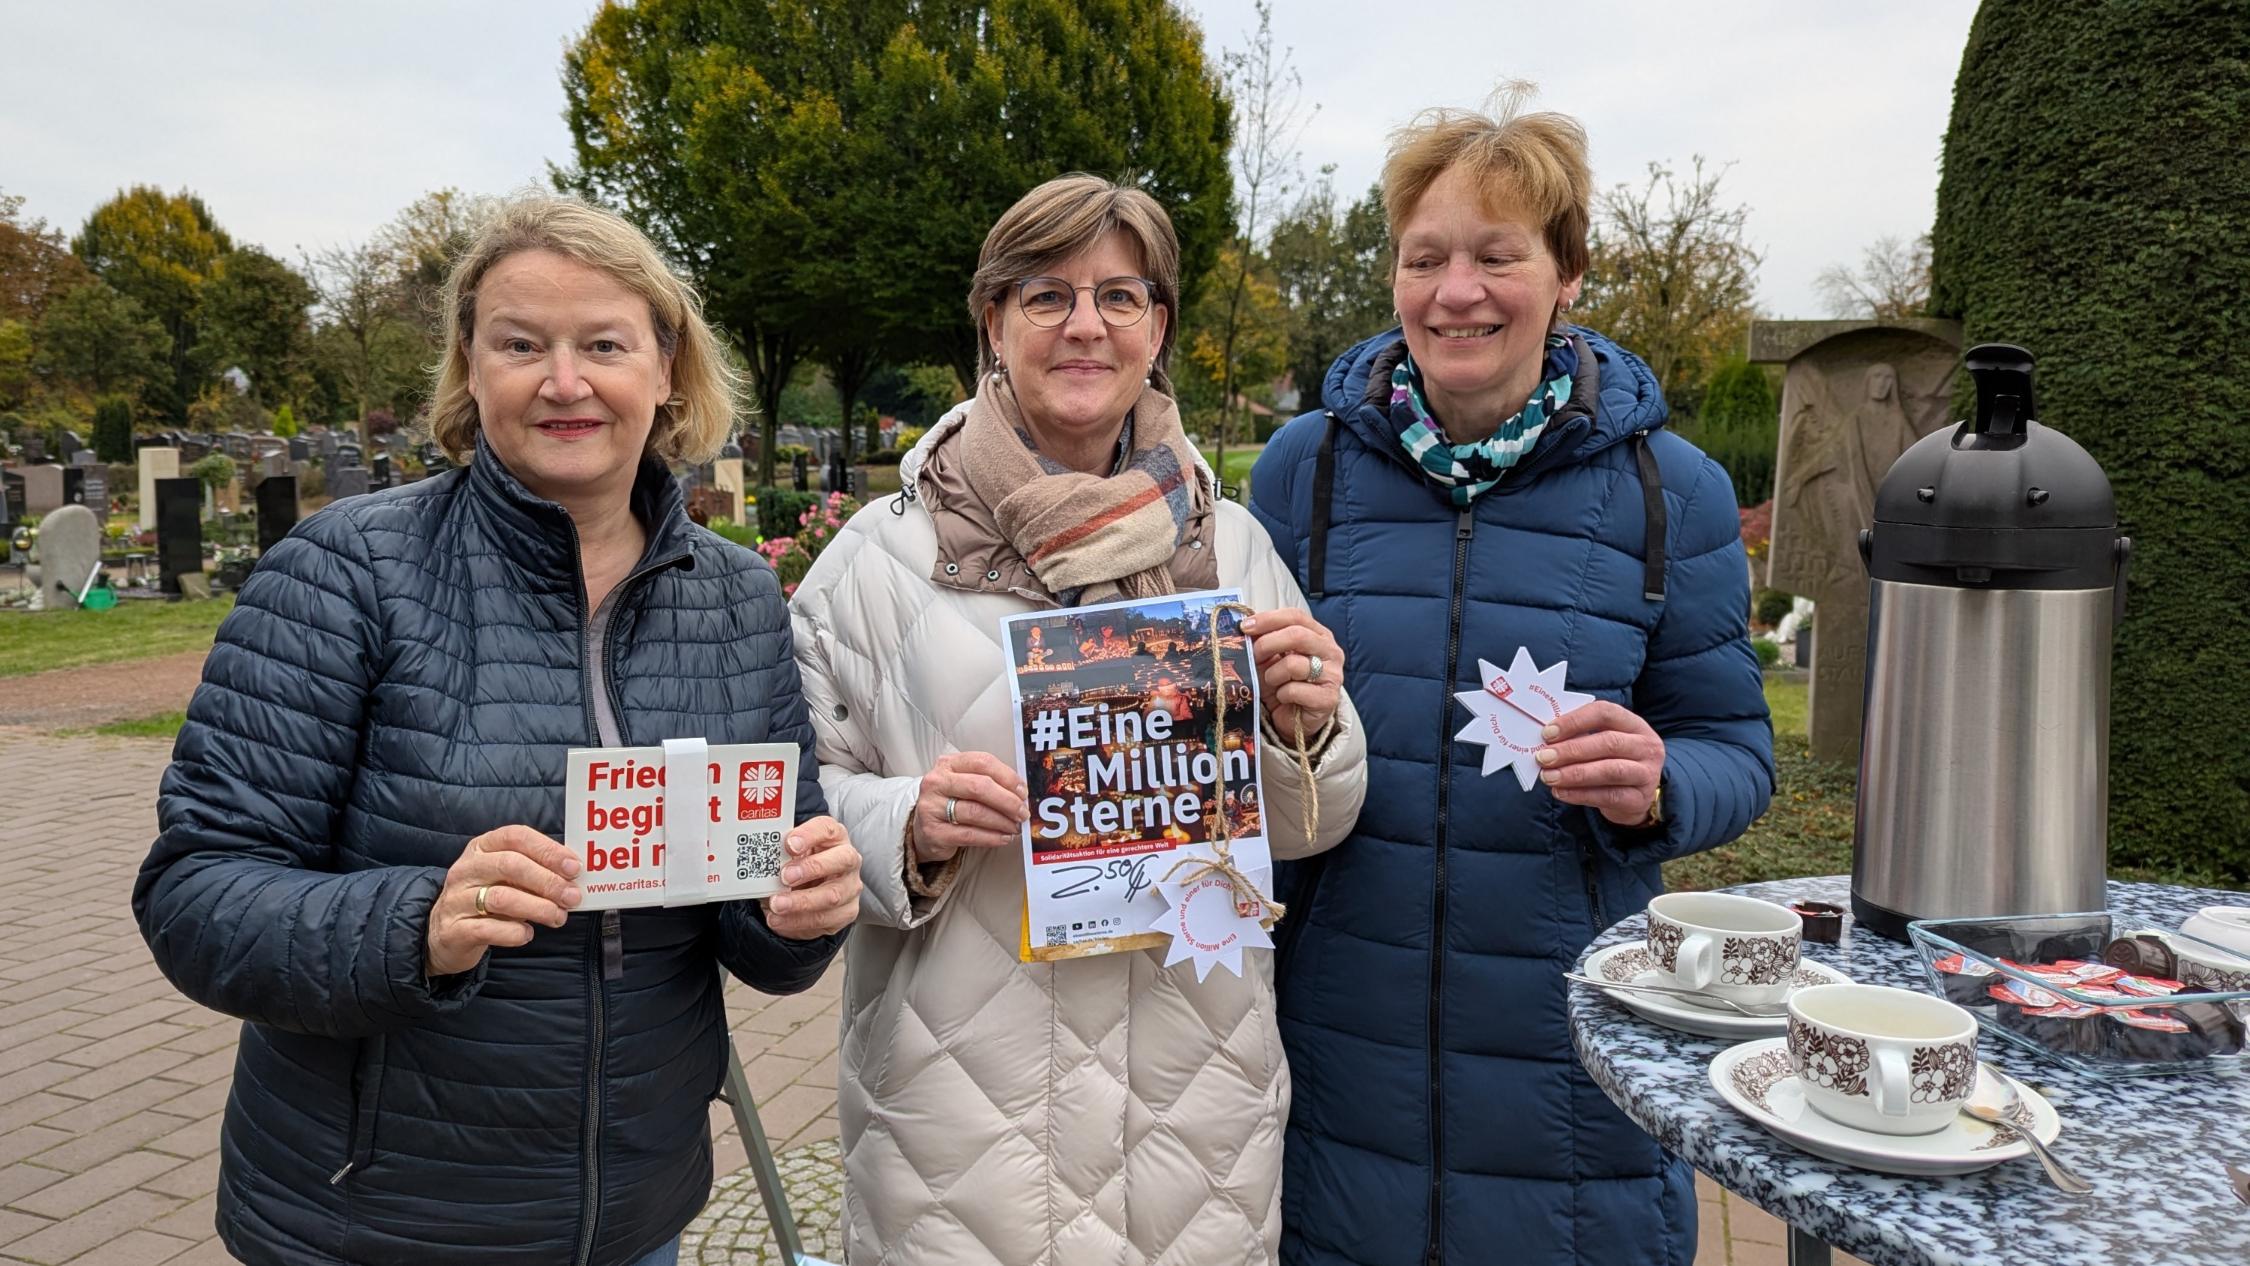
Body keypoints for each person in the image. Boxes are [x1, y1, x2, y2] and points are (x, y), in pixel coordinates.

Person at [133, 195, 863, 1265]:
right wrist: (415, 924)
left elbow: (755, 915)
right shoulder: (351, 571)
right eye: (521, 344)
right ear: (470, 372)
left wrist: (803, 912)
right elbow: (194, 895)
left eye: (603, 345)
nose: (564, 381)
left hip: (635, 1211)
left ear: (665, 370)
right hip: (379, 1218)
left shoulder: (739, 597)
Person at [789, 174, 1370, 1265]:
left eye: (1121, 295)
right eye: (1046, 295)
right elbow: (798, 801)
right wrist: (902, 822)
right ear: (993, 323)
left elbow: (1308, 827)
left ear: (1159, 328)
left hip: (1194, 1109)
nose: (1086, 325)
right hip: (960, 1120)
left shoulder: (1233, 546)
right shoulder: (876, 557)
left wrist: (1311, 728)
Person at [1249, 94, 1775, 1266]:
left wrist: (1658, 783)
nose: (1456, 292)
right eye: (1424, 257)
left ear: (1568, 272)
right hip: (1337, 1054)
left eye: (1498, 255)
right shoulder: (1305, 472)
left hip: (1571, 1072)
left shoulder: (1666, 493)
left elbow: (1738, 749)